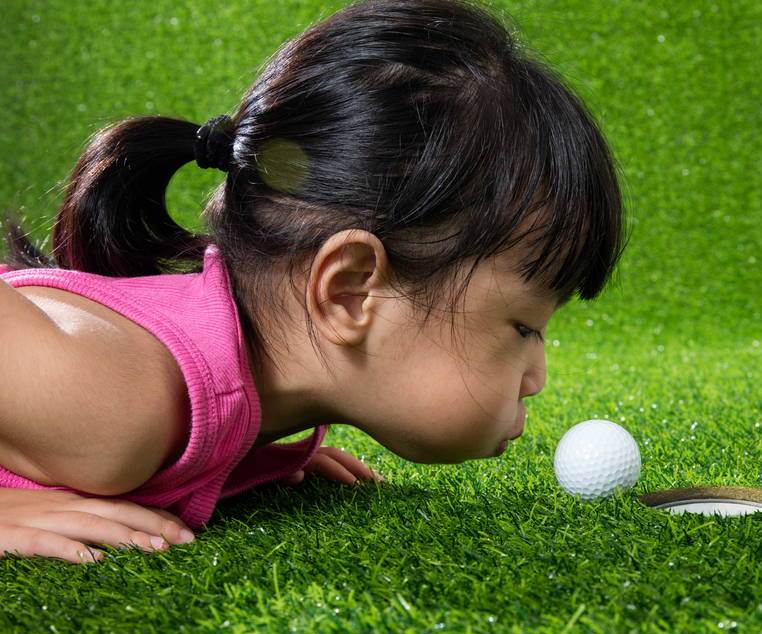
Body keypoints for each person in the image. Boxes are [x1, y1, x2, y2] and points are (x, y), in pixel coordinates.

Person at [0, 0, 625, 563]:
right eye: (523, 326)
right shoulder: (120, 409)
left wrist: (245, 457)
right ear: (351, 291)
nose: (537, 376)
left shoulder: (230, 406)